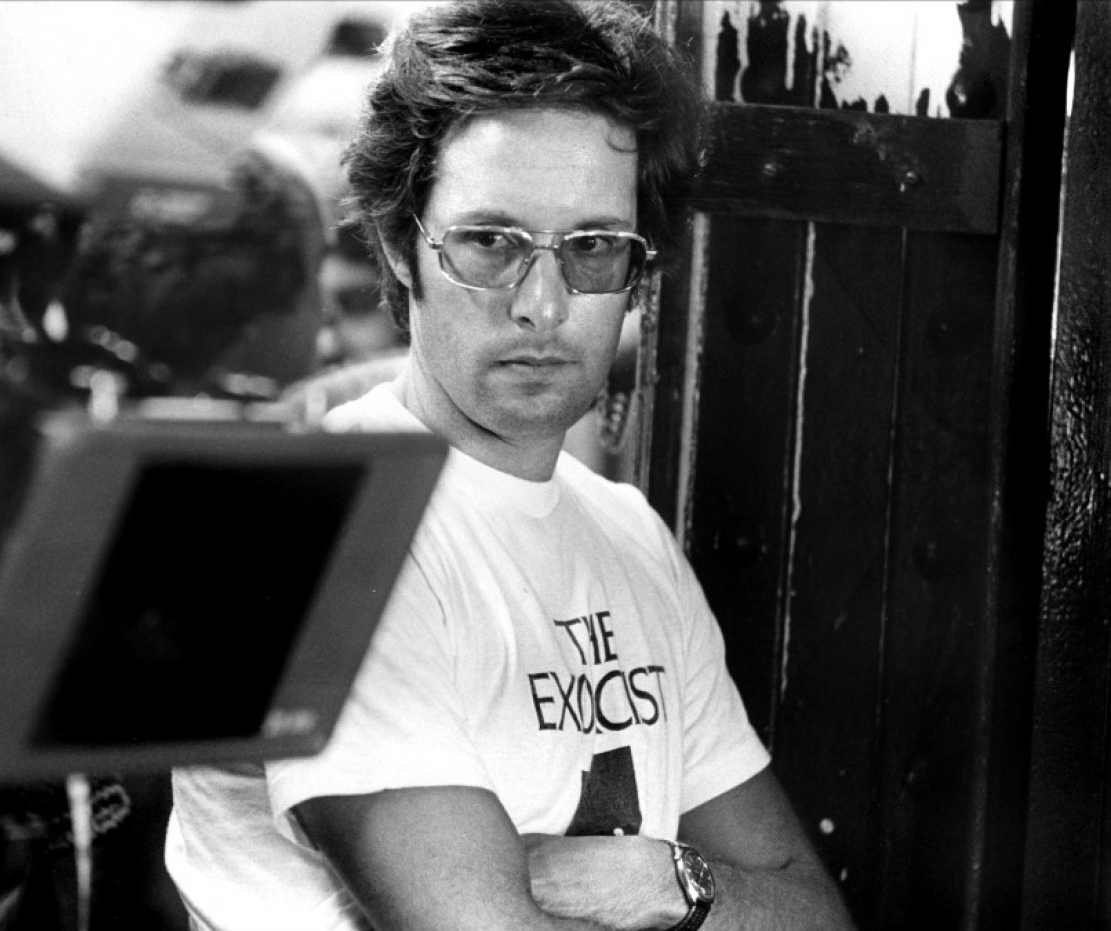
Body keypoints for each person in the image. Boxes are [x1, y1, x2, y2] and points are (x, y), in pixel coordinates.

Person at [166, 3, 857, 930]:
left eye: (592, 248)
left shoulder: (629, 534)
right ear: (399, 246)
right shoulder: (321, 519)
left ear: (637, 271)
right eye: (491, 242)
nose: (543, 305)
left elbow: (814, 913)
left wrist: (666, 879)